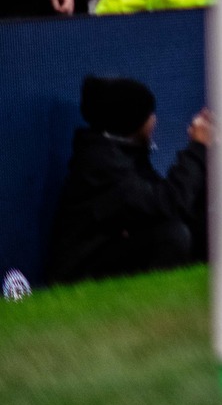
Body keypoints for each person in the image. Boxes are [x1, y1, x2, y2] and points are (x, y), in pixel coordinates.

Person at [45, 76, 210, 284]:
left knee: (203, 226)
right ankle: (157, 311)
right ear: (132, 121)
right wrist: (197, 149)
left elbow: (181, 207)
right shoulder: (101, 165)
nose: (154, 120)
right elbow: (168, 203)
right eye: (148, 114)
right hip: (80, 276)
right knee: (172, 236)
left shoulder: (126, 153)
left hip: (109, 255)